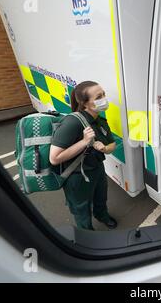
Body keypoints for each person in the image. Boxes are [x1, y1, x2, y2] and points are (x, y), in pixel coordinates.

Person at [49, 81, 117, 230]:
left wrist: (105, 148)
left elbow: (112, 145)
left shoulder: (100, 120)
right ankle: (87, 233)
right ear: (85, 103)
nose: (104, 98)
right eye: (99, 96)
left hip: (97, 169)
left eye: (104, 94)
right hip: (77, 176)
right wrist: (84, 142)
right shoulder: (72, 123)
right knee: (81, 208)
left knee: (101, 198)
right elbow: (54, 158)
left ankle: (102, 215)